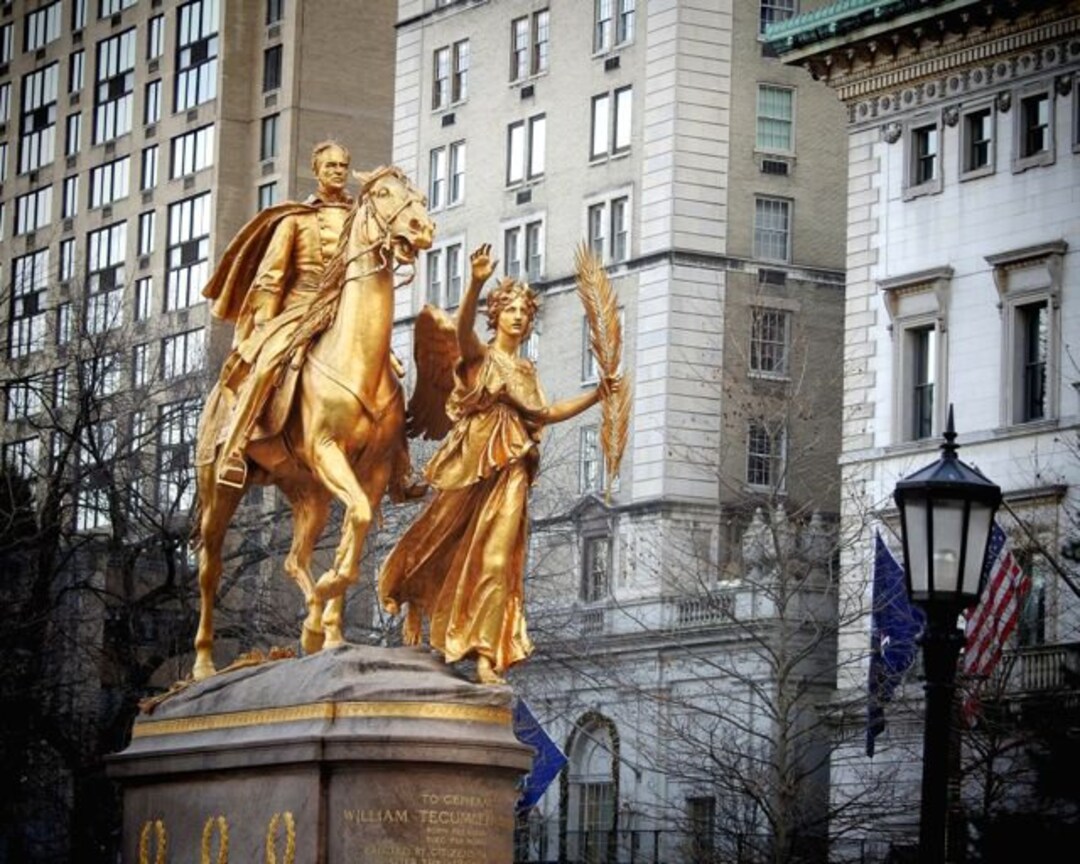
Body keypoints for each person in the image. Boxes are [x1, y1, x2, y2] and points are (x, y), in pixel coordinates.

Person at [377, 244, 618, 684]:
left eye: (526, 312)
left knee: (497, 560)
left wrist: (596, 396)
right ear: (497, 315)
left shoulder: (525, 371)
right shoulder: (478, 356)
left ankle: (487, 654)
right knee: (439, 538)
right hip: (471, 469)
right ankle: (414, 590)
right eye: (511, 309)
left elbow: (545, 412)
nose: (519, 317)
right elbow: (463, 327)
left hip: (511, 472)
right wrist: (474, 282)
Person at [199, 141, 355, 487]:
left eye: (343, 166)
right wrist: (266, 325)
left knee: (388, 368)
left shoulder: (360, 218)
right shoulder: (296, 219)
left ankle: (400, 466)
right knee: (268, 363)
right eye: (330, 166)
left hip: (344, 313)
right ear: (316, 171)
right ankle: (237, 446)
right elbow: (271, 276)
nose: (338, 171)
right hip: (298, 312)